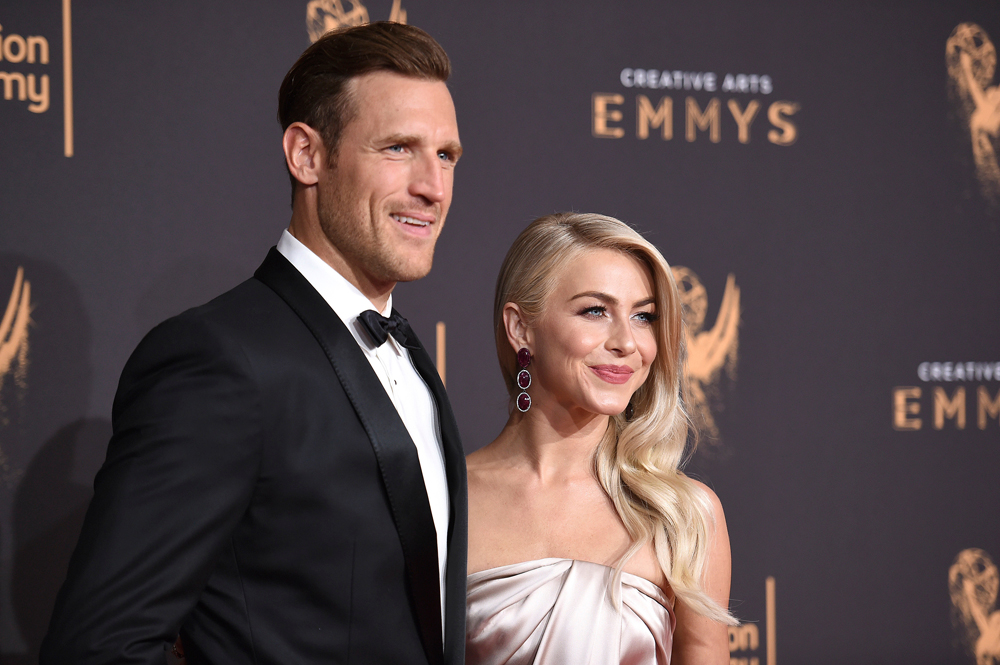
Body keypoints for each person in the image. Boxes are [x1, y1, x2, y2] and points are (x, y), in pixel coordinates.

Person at [40, 22, 467, 665]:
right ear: (306, 156)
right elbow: (99, 646)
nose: (432, 187)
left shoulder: (410, 357)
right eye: (398, 149)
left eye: (445, 156)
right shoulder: (218, 360)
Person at [465, 213, 736, 665]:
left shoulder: (685, 516)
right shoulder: (443, 498)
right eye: (595, 311)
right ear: (520, 328)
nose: (627, 342)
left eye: (644, 317)